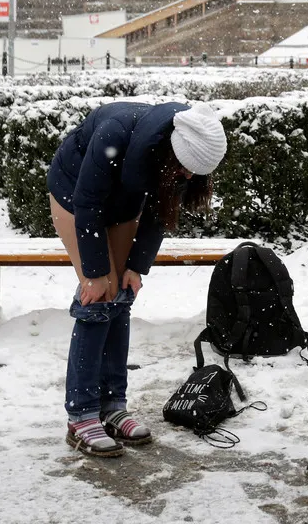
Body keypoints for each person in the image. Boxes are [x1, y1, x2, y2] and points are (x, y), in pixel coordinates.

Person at [48, 101, 227, 457]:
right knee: (98, 298)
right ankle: (81, 415)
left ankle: (113, 406)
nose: (189, 178)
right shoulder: (116, 132)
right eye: (185, 170)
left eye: (195, 174)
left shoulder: (178, 159)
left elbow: (162, 211)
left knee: (122, 296)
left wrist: (137, 266)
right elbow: (88, 202)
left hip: (121, 204)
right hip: (76, 198)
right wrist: (96, 275)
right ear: (170, 151)